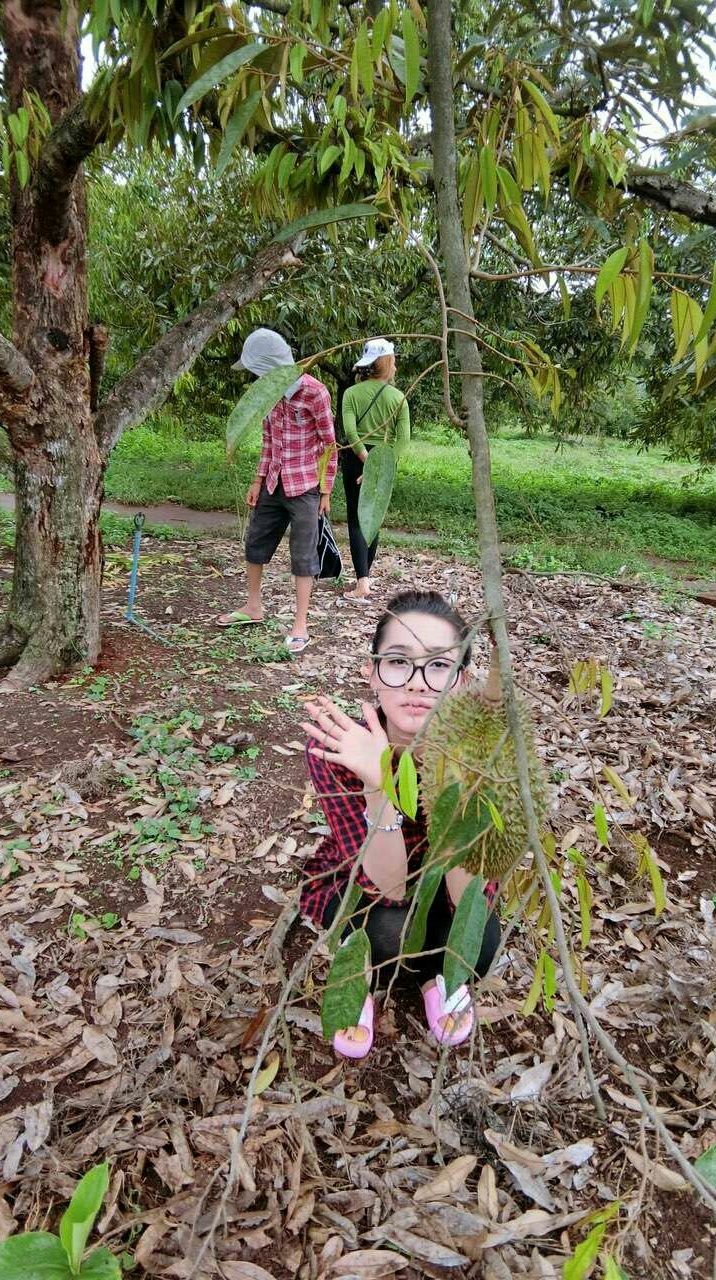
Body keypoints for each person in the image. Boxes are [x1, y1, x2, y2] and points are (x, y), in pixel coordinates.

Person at [301, 590, 500, 1060]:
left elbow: (464, 892)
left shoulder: (483, 754)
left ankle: (437, 980)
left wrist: (454, 786)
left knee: (480, 942)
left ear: (462, 681)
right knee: (386, 933)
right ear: (372, 671)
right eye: (397, 662)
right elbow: (389, 886)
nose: (417, 683)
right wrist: (377, 781)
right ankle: (362, 975)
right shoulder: (340, 747)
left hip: (450, 877)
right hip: (368, 879)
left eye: (438, 666)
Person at [217, 328, 337, 653]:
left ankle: (301, 624)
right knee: (255, 544)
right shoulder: (267, 395)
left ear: (270, 367)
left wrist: (325, 490)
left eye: (257, 371)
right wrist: (257, 481)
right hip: (273, 482)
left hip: (305, 487)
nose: (255, 378)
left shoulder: (315, 393)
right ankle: (253, 606)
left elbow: (329, 444)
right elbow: (269, 441)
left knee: (303, 555)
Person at [339, 338, 411, 603]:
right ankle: (365, 576)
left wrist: (365, 460)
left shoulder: (351, 393)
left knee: (357, 518)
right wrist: (382, 466)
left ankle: (362, 582)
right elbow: (403, 439)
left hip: (356, 459)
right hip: (384, 459)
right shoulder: (398, 398)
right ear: (389, 362)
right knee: (374, 516)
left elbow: (349, 431)